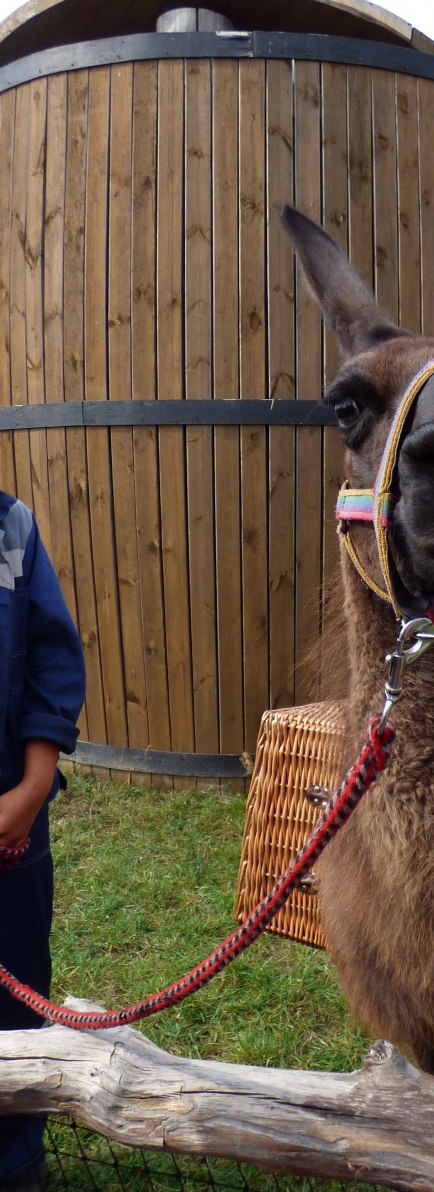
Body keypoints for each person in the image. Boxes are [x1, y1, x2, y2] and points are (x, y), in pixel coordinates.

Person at [1, 492, 86, 1192]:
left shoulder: (13, 528)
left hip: (12, 834)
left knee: (19, 994)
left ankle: (16, 1162)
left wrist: (30, 792)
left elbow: (50, 667)